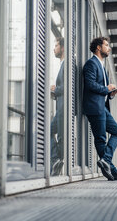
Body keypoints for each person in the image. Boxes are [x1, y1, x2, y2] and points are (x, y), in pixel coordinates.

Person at [82, 37, 117, 181]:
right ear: (98, 47)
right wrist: (106, 88)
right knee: (101, 139)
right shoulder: (91, 64)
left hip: (102, 107)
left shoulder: (102, 66)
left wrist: (111, 94)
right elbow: (90, 84)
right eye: (106, 45)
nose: (109, 48)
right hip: (94, 108)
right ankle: (113, 171)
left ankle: (106, 162)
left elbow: (102, 90)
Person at [50, 37, 64, 176]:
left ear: (63, 48)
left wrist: (55, 89)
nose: (54, 49)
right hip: (61, 107)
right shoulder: (63, 65)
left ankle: (56, 160)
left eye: (56, 46)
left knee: (48, 131)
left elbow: (68, 87)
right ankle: (57, 162)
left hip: (63, 108)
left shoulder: (67, 65)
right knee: (60, 138)